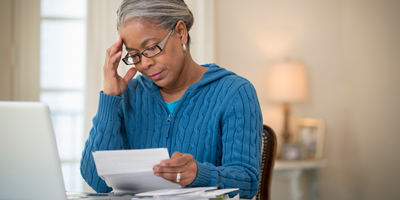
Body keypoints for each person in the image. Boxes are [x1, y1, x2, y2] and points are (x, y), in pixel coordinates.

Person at [80, 0, 263, 198]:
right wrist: (110, 98)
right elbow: (96, 182)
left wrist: (199, 174)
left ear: (181, 32)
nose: (146, 63)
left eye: (151, 48)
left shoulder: (234, 92)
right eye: (134, 55)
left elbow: (247, 183)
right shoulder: (128, 95)